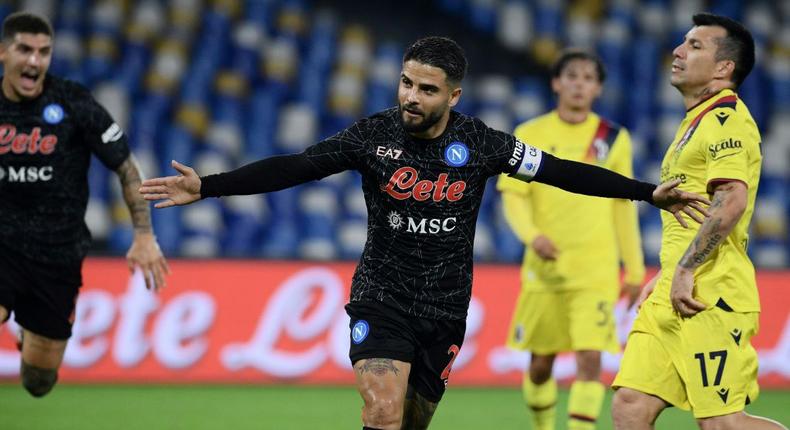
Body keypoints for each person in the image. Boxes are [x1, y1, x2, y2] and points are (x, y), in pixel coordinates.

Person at [140, 36, 707, 430]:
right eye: (406, 83)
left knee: (411, 421)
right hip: (381, 295)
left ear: (453, 96)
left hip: (444, 306)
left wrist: (643, 192)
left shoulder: (484, 144)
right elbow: (297, 165)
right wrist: (207, 186)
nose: (411, 96)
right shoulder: (374, 135)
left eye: (427, 89)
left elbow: (561, 171)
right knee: (381, 413)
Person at [611, 13, 787, 430]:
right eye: (682, 42)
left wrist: (687, 269)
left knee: (723, 424)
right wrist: (670, 269)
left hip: (711, 292)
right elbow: (694, 210)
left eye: (694, 46)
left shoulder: (728, 120)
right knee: (631, 404)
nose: (677, 50)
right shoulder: (698, 120)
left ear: (724, 67)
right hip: (674, 285)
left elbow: (731, 200)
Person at [0, 12, 168, 398]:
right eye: (24, 49)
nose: (34, 61)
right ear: (4, 53)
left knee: (38, 382)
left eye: (44, 52)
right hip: (2, 244)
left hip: (56, 254)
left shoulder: (74, 103)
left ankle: (32, 336)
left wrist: (143, 234)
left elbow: (126, 167)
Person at [497, 49, 644, 430]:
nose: (579, 83)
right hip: (545, 269)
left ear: (597, 89)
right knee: (541, 364)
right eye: (572, 76)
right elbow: (513, 196)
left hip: (595, 268)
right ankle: (543, 426)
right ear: (556, 83)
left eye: (588, 78)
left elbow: (622, 203)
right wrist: (532, 237)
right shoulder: (530, 134)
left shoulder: (613, 138)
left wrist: (634, 267)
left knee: (590, 359)